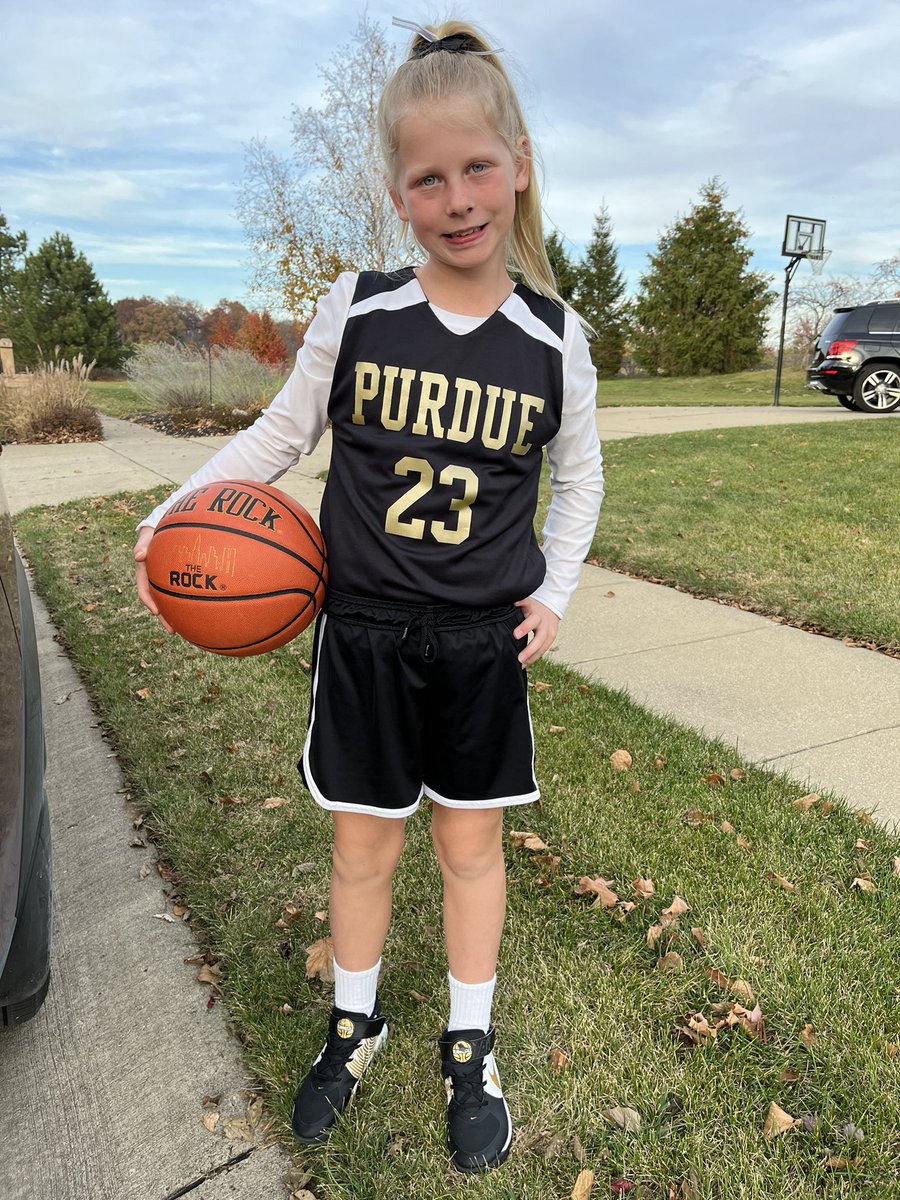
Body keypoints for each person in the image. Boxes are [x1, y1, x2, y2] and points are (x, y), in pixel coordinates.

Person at [134, 16, 603, 1174]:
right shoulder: (360, 308)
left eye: (478, 167)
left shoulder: (555, 339)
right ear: (398, 194)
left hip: (481, 643)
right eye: (428, 177)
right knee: (361, 851)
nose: (457, 197)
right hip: (364, 631)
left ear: (521, 165)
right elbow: (278, 437)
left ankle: (470, 1039)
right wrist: (166, 523)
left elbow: (580, 474)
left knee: (471, 851)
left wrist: (556, 589)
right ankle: (356, 1020)